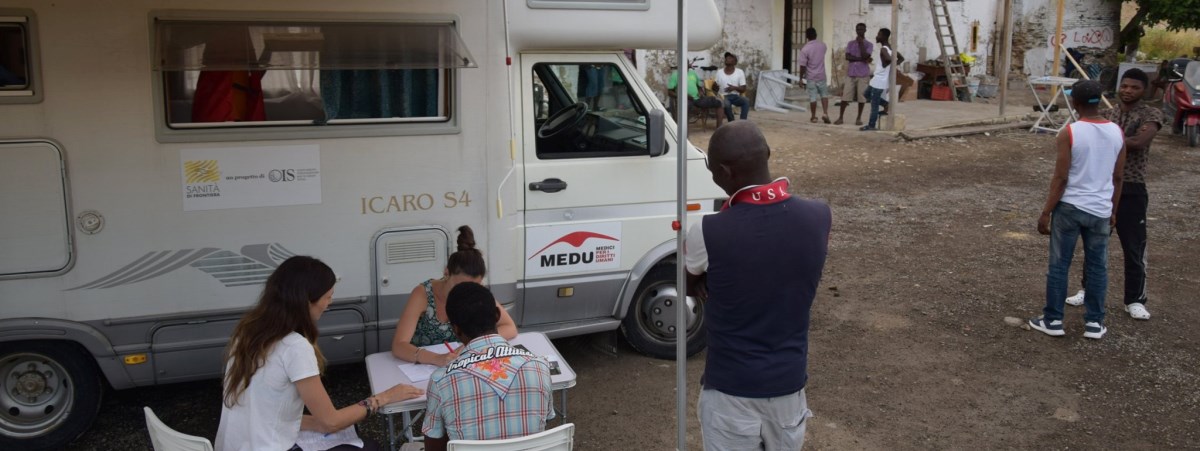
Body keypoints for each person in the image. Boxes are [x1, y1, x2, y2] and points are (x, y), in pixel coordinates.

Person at [685, 121, 832, 450]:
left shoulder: (708, 230)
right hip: (789, 388)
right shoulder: (819, 216)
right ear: (767, 154)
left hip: (729, 391)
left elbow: (687, 282)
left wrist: (709, 279)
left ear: (723, 171)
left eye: (712, 171)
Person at [215, 256, 424, 451]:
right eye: (328, 297)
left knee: (350, 429)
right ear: (306, 301)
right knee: (370, 446)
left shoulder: (247, 332)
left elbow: (263, 411)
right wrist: (384, 397)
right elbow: (330, 421)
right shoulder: (294, 346)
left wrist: (318, 423)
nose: (329, 303)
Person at [1029, 80, 1127, 340]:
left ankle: (1053, 320)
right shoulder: (1117, 132)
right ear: (1100, 101)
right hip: (1100, 210)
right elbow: (1118, 177)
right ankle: (1095, 323)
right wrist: (1113, 209)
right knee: (1097, 267)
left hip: (1070, 207)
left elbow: (1061, 178)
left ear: (1075, 103)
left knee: (1059, 265)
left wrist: (1046, 212)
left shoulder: (1070, 132)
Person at [1063, 68, 1163, 320]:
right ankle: (1087, 288)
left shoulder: (1151, 114)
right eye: (1125, 86)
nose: (1128, 91)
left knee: (1134, 245)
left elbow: (1140, 143)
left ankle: (1135, 299)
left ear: (1144, 90)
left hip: (1132, 187)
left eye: (1135, 87)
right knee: (1095, 244)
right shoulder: (1109, 114)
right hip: (1102, 187)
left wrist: (1104, 137)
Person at [421, 282, 554, 451]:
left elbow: (433, 446)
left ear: (456, 329)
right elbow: (544, 421)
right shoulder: (540, 367)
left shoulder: (441, 380)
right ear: (498, 315)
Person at [392, 226, 517, 366]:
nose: (466, 293)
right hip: (423, 366)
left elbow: (510, 327)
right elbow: (399, 345)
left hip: (460, 363)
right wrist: (436, 359)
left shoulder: (476, 291)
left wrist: (473, 345)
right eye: (459, 286)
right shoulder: (423, 293)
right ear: (446, 273)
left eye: (473, 287)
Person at [860, 28, 903, 132]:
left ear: (884, 37)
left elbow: (888, 59)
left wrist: (886, 65)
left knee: (874, 105)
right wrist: (891, 65)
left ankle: (871, 125)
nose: (876, 36)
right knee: (866, 94)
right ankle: (885, 104)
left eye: (878, 35)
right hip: (877, 79)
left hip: (879, 81)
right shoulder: (890, 49)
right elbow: (901, 58)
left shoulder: (884, 49)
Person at [835, 23, 873, 126]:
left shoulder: (869, 44)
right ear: (856, 30)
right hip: (851, 73)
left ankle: (859, 118)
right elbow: (848, 57)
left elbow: (866, 55)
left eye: (861, 29)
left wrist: (861, 44)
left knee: (861, 97)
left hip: (863, 74)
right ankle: (841, 117)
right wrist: (863, 59)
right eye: (858, 29)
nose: (859, 31)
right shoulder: (850, 43)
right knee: (845, 96)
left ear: (865, 30)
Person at [797, 27, 831, 124]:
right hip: (821, 75)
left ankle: (813, 117)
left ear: (807, 36)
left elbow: (802, 66)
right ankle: (825, 113)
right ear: (816, 35)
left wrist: (800, 78)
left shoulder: (805, 49)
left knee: (813, 97)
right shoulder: (823, 46)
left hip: (811, 77)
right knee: (824, 95)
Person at [716, 52, 750, 122]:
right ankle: (732, 122)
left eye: (730, 57)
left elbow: (743, 89)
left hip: (735, 96)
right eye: (726, 57)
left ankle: (742, 122)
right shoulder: (719, 72)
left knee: (746, 101)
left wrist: (734, 88)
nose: (727, 58)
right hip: (723, 96)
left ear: (735, 62)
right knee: (726, 104)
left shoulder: (739, 72)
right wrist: (714, 86)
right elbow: (715, 87)